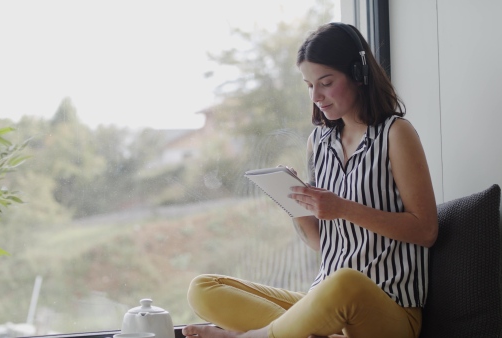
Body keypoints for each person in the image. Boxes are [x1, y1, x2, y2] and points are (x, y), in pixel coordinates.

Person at [181, 22, 438, 338]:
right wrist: (295, 201)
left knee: (345, 282)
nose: (316, 95)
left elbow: (426, 231)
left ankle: (255, 337)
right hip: (327, 304)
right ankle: (302, 333)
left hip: (388, 310)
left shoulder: (396, 134)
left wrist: (342, 208)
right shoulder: (319, 142)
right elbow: (322, 243)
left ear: (359, 75)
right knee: (204, 288)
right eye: (309, 85)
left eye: (326, 82)